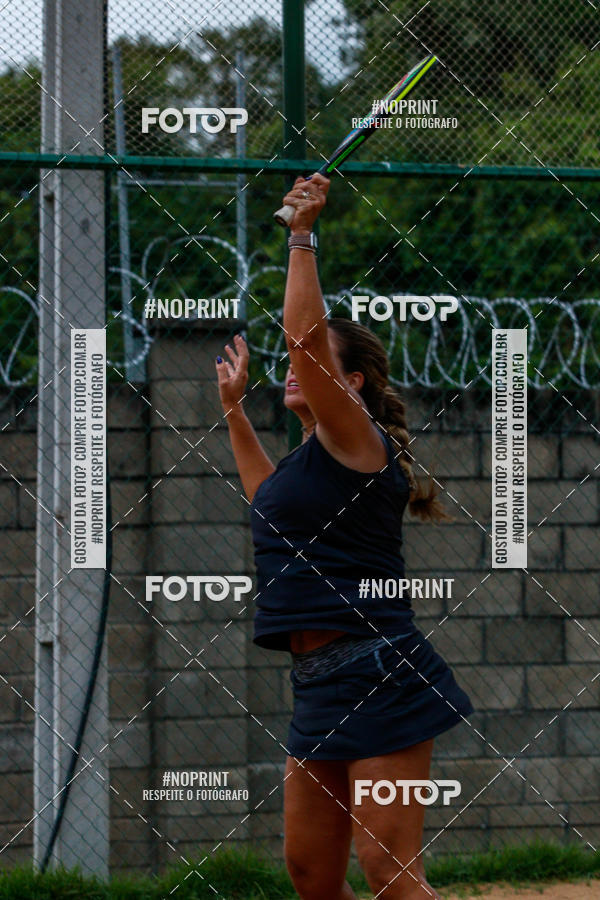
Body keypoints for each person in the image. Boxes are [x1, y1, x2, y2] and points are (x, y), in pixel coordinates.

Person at [215, 173, 474, 900]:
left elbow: (301, 341)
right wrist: (235, 413)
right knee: (311, 874)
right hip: (318, 685)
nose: (297, 365)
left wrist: (301, 235)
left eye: (320, 362)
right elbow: (268, 506)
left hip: (382, 675)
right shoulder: (307, 466)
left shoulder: (359, 442)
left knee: (388, 872)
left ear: (350, 382)